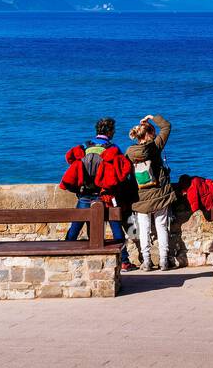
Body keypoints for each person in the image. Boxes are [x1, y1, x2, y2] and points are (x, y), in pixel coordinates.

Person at [60, 117, 134, 270]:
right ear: (110, 131)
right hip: (106, 195)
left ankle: (63, 255)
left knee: (75, 226)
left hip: (85, 195)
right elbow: (121, 173)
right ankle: (124, 261)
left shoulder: (84, 147)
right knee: (116, 227)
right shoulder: (113, 149)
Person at [126, 114, 173, 271]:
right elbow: (166, 127)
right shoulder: (154, 147)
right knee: (161, 227)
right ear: (148, 134)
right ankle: (164, 261)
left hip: (141, 196)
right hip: (159, 194)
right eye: (152, 132)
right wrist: (152, 117)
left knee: (144, 229)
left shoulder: (130, 152)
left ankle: (146, 262)